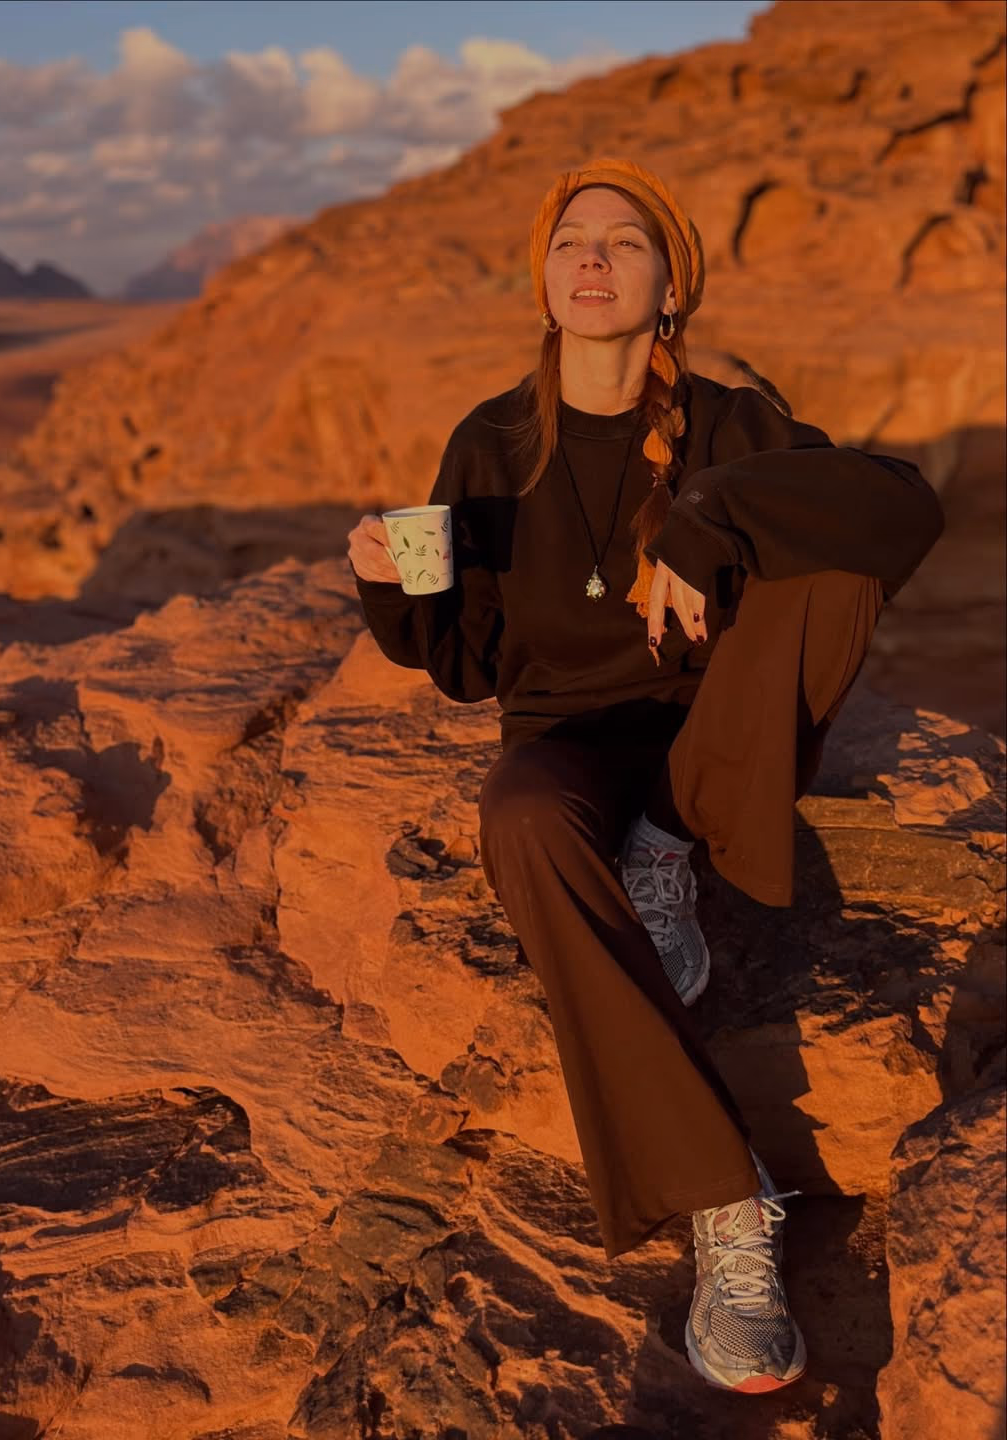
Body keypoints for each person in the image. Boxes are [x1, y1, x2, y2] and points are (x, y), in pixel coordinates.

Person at [345, 157, 944, 1394]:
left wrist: (710, 518)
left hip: (707, 741)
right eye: (573, 242)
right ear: (545, 281)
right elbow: (461, 666)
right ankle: (729, 1206)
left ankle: (668, 848)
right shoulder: (493, 440)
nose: (595, 260)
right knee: (517, 816)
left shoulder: (732, 421)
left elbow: (899, 508)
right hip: (562, 739)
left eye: (626, 242)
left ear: (672, 286)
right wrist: (389, 585)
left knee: (832, 566)